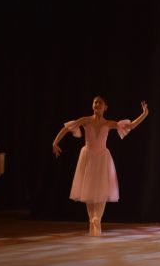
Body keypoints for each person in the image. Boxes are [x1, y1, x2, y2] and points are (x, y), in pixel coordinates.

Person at [52, 97, 149, 236]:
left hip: (102, 158)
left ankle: (97, 219)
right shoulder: (86, 120)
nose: (97, 104)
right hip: (88, 157)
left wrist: (144, 114)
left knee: (102, 189)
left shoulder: (109, 124)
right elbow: (67, 128)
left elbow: (130, 126)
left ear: (105, 107)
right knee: (88, 189)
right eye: (95, 102)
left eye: (100, 103)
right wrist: (55, 143)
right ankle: (92, 220)